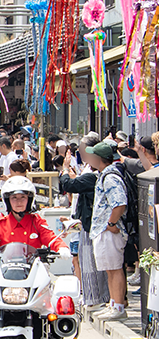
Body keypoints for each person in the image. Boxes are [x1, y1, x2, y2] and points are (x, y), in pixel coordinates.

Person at [59, 137, 110, 311]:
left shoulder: (97, 175)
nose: (81, 153)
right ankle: (92, 297)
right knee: (85, 261)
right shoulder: (90, 171)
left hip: (95, 225)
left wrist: (65, 170)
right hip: (86, 222)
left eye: (85, 151)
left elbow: (70, 185)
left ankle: (96, 299)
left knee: (92, 264)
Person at [86, 142, 129, 321]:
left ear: (98, 159)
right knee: (109, 269)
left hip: (109, 230)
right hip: (104, 229)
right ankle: (113, 304)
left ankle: (118, 306)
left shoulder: (110, 177)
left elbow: (120, 203)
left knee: (114, 268)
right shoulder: (104, 175)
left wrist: (111, 223)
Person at [0, 176, 70, 255]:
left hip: (34, 269)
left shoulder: (37, 222)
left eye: (23, 197)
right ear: (7, 201)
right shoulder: (0, 225)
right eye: (14, 198)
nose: (19, 201)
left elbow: (51, 238)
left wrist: (62, 248)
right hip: (6, 270)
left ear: (29, 200)